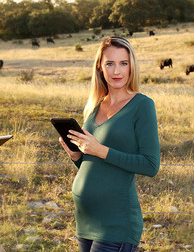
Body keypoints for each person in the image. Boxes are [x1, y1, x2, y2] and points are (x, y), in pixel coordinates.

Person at [59, 36, 160, 252]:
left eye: (123, 63)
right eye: (110, 64)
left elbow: (151, 165)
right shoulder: (96, 106)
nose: (117, 71)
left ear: (132, 66)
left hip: (117, 223)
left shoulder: (142, 105)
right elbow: (97, 166)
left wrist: (101, 150)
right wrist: (78, 157)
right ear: (100, 67)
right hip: (86, 221)